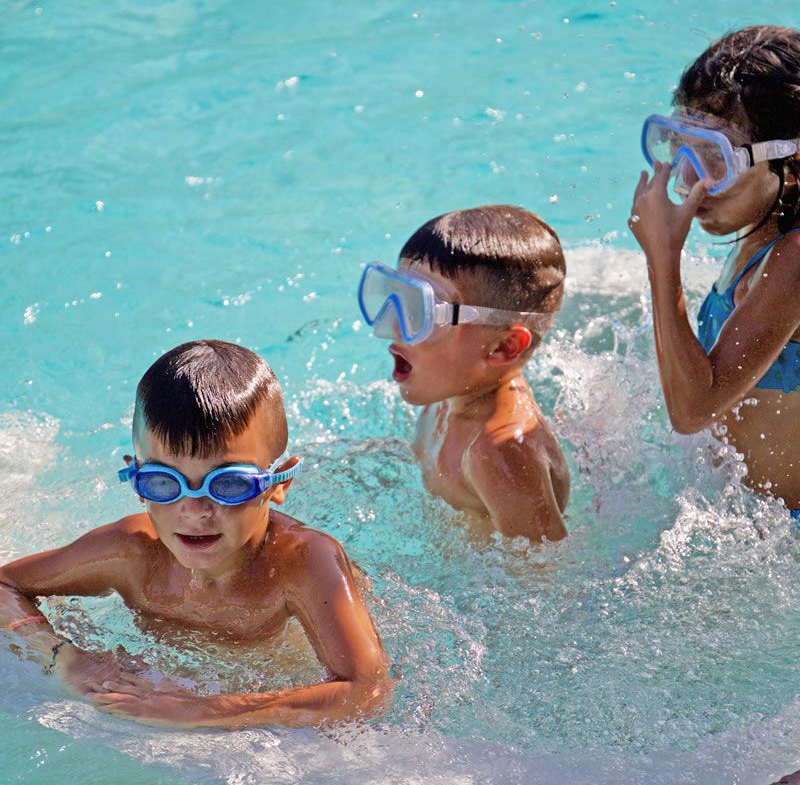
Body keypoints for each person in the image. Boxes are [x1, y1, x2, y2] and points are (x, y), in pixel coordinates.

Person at [0, 340, 391, 728]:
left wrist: (202, 710)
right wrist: (65, 659)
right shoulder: (130, 554)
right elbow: (5, 585)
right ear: (137, 482)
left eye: (228, 484)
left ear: (278, 484)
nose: (194, 510)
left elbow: (367, 690)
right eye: (163, 482)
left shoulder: (303, 563)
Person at [629, 24, 800, 519]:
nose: (687, 181)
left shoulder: (793, 259)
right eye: (679, 145)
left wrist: (663, 259)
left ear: (792, 163)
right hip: (745, 520)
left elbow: (692, 411)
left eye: (715, 159)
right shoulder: (758, 231)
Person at [357, 204, 569, 543]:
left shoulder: (499, 453)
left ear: (504, 347)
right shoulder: (448, 390)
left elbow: (544, 571)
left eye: (421, 312)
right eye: (397, 297)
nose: (389, 326)